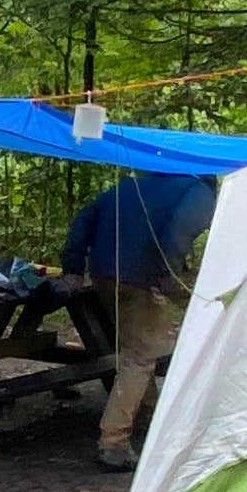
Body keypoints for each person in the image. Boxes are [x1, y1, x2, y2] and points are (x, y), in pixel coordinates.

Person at [62, 167, 214, 470]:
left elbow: (83, 219)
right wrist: (167, 271)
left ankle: (152, 416)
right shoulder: (200, 192)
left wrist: (73, 267)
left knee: (138, 346)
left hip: (105, 275)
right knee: (139, 358)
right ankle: (113, 442)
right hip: (140, 276)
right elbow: (179, 230)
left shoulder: (128, 186)